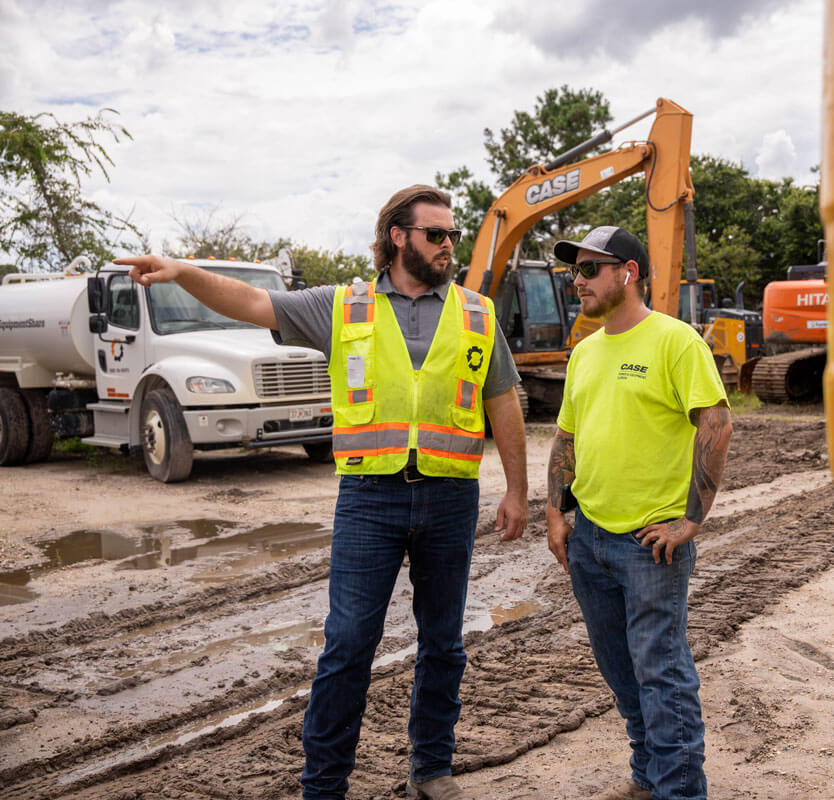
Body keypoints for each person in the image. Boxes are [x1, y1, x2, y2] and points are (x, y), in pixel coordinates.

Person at [116, 185, 528, 800]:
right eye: (436, 235)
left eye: (452, 236)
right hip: (369, 498)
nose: (448, 246)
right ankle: (324, 785)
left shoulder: (476, 312)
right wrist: (182, 272)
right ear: (398, 237)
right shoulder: (343, 306)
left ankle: (432, 769)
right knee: (348, 644)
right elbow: (254, 301)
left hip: (449, 498)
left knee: (443, 643)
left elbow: (503, 402)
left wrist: (517, 491)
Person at [544, 226, 733, 800]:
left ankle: (680, 790)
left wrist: (692, 520)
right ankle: (649, 774)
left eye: (590, 270)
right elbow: (566, 437)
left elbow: (717, 424)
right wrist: (556, 512)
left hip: (651, 546)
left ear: (627, 273)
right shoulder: (585, 352)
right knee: (621, 673)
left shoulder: (676, 342)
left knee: (662, 675)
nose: (578, 281)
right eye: (575, 271)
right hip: (591, 539)